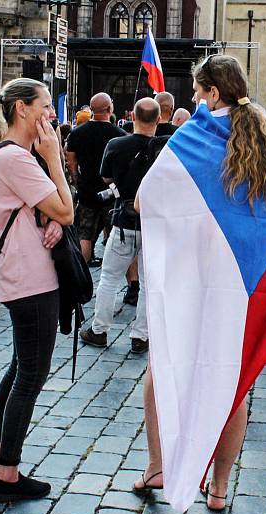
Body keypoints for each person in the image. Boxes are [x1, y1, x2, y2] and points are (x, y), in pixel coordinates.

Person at [133, 54, 266, 513]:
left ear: (213, 92)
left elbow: (143, 200)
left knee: (164, 367)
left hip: (198, 280)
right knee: (233, 382)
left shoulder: (196, 133)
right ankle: (218, 489)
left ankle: (159, 467)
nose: (195, 99)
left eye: (197, 91)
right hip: (245, 287)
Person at [0, 78, 74, 503]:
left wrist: (50, 217)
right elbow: (67, 208)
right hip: (30, 278)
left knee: (19, 367)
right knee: (31, 375)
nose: (51, 114)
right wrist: (54, 158)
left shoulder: (8, 155)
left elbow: (53, 212)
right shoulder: (16, 157)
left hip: (22, 273)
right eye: (46, 106)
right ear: (22, 110)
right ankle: (7, 476)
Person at [78, 97, 160, 354]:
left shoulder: (116, 144)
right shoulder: (167, 147)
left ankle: (99, 329)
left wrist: (120, 188)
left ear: (132, 117)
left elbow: (105, 176)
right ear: (157, 120)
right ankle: (141, 336)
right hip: (154, 222)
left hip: (124, 220)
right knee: (149, 284)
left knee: (110, 278)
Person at [64, 92, 126, 262]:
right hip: (110, 191)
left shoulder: (77, 133)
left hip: (86, 189)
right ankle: (126, 280)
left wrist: (77, 179)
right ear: (109, 108)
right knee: (114, 232)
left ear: (91, 109)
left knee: (85, 234)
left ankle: (82, 275)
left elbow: (71, 160)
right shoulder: (119, 135)